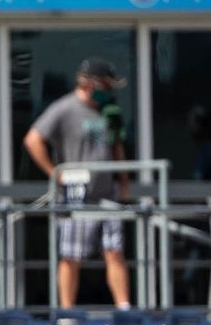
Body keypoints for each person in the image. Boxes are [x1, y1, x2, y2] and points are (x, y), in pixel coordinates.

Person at [23, 57, 131, 309]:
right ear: (92, 84)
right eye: (107, 86)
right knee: (71, 255)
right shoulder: (64, 108)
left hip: (107, 193)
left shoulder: (109, 111)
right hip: (76, 194)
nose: (110, 92)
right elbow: (33, 140)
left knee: (115, 251)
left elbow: (116, 146)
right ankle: (67, 311)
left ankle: (124, 307)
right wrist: (54, 172)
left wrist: (124, 180)